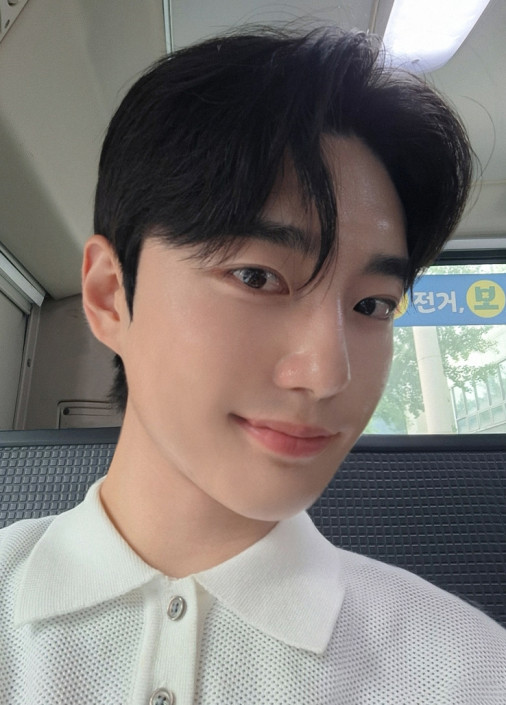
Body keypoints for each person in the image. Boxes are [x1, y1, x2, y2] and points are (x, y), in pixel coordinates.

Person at [1, 27, 505, 705]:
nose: (327, 374)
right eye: (257, 276)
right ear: (110, 295)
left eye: (373, 305)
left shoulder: (469, 669)